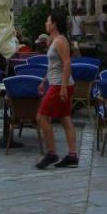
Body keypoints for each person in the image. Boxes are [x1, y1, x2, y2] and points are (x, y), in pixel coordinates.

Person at [35, 10, 78, 169]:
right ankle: (72, 155)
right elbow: (54, 65)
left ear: (54, 24)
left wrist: (64, 88)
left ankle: (51, 152)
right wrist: (44, 81)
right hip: (56, 82)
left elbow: (67, 63)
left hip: (60, 84)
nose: (46, 23)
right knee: (65, 118)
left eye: (48, 21)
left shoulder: (60, 41)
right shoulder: (53, 40)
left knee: (42, 117)